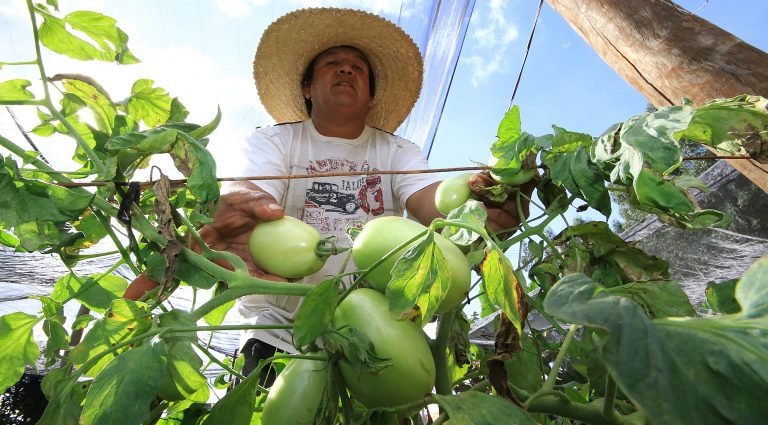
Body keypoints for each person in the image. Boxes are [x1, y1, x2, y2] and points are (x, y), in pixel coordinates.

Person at [125, 7, 534, 386]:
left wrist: (479, 206)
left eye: (358, 67)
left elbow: (431, 203)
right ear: (307, 86)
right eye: (332, 64)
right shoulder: (276, 140)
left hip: (375, 323)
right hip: (277, 324)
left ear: (371, 94)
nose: (346, 69)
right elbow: (252, 190)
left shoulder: (396, 150)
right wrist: (237, 200)